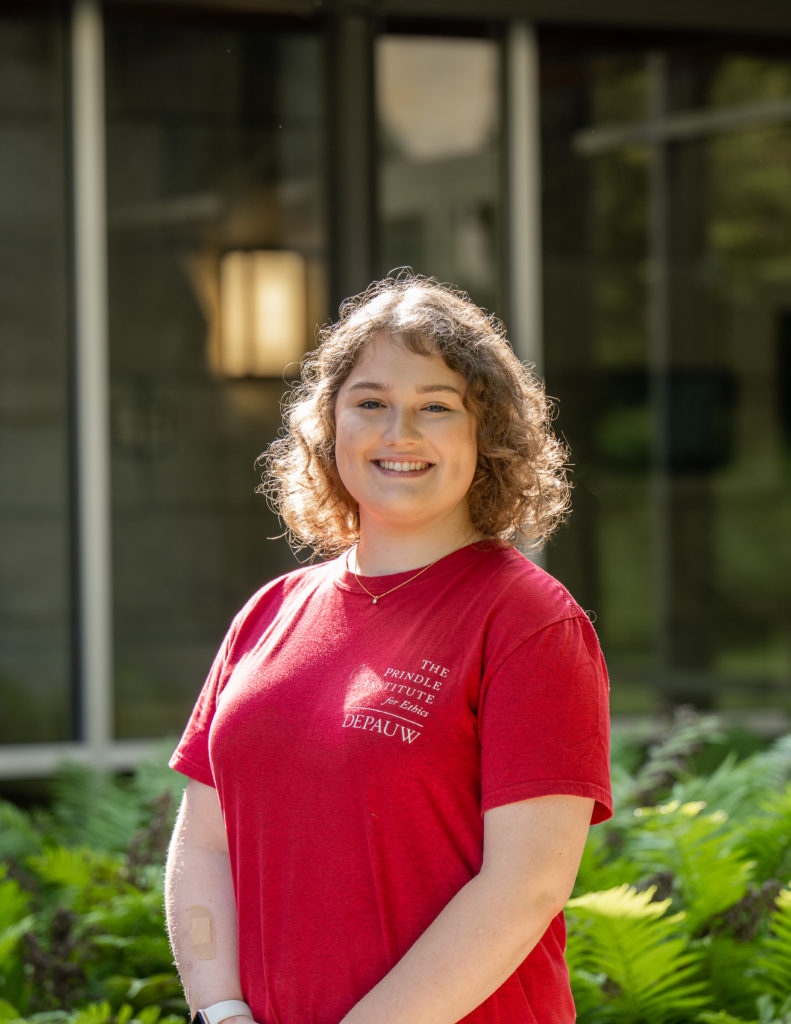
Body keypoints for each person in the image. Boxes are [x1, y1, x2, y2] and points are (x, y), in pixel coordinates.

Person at [165, 273, 612, 1024]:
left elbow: (526, 886)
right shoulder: (270, 612)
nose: (397, 432)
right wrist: (221, 1012)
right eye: (369, 402)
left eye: (435, 407)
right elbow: (204, 844)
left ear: (488, 435)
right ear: (328, 426)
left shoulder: (529, 622)